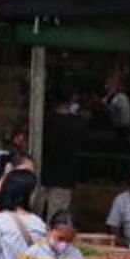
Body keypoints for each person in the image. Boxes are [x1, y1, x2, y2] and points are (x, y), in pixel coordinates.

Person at [41, 90, 84, 221]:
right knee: (56, 217)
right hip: (64, 176)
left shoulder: (45, 119)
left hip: (43, 173)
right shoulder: (78, 123)